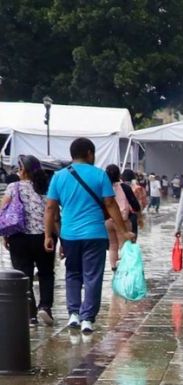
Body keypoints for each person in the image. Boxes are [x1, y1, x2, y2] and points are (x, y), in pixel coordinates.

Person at [44, 138, 134, 334]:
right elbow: (110, 205)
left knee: (73, 274)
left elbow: (51, 208)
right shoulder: (100, 175)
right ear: (89, 153)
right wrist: (123, 231)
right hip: (95, 235)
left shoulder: (59, 177)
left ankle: (73, 314)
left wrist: (48, 235)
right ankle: (87, 319)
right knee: (93, 276)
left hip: (69, 235)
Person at [1, 155, 54, 325]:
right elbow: (53, 213)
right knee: (46, 274)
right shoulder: (46, 188)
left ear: (23, 169)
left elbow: (4, 212)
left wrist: (5, 235)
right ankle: (45, 307)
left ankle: (30, 314)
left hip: (19, 237)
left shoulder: (13, 187)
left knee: (25, 275)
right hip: (43, 236)